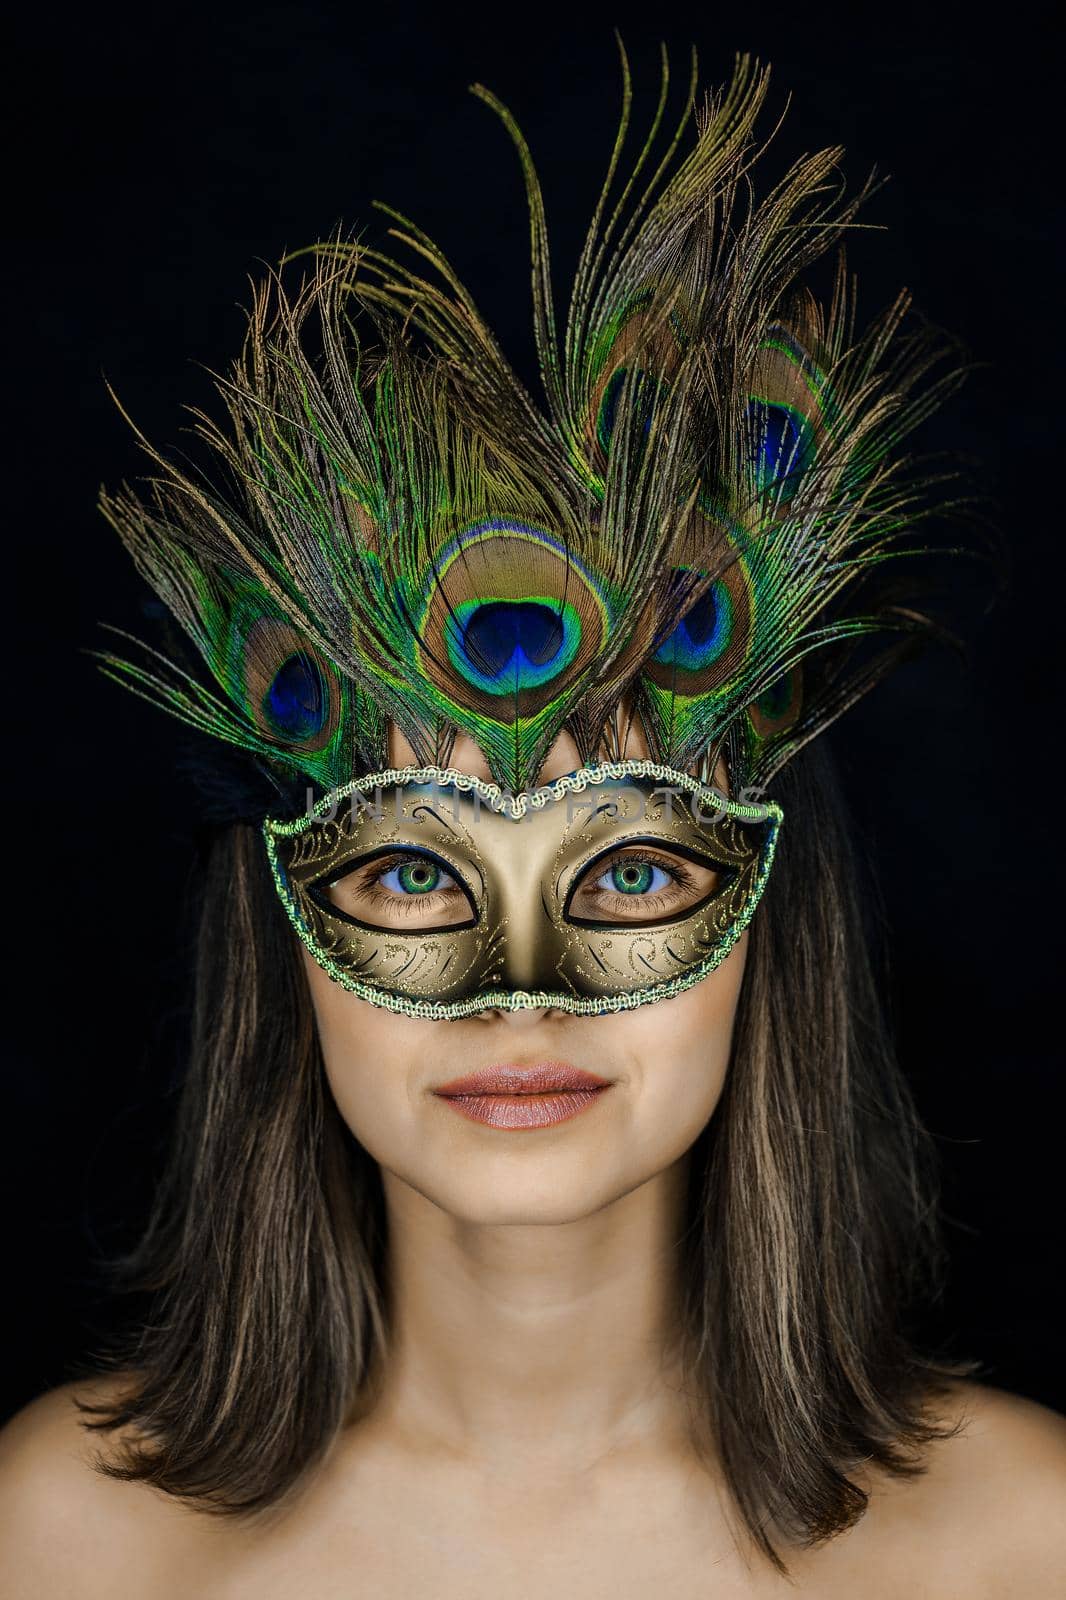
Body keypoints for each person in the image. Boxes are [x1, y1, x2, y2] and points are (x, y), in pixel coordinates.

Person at [1, 52, 1063, 1598]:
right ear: (283, 933)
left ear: (768, 915)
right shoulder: (55, 1542)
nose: (520, 990)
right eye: (410, 872)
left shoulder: (1024, 1545)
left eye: (632, 868)